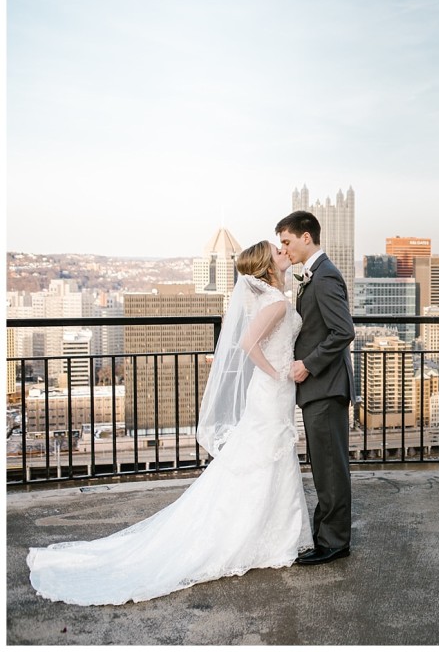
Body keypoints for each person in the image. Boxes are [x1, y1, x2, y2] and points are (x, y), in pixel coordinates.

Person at [26, 241, 313, 606]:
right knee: (264, 456)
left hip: (274, 393)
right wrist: (278, 374)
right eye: (277, 250)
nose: (283, 251)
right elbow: (247, 342)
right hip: (272, 391)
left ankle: (271, 533)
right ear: (267, 265)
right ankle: (264, 537)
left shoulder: (271, 296)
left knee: (267, 456)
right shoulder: (275, 301)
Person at [276, 211, 355, 566]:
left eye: (287, 241)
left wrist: (308, 364)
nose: (285, 248)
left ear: (306, 237)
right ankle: (326, 534)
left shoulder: (323, 278)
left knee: (331, 467)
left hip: (325, 386)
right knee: (323, 466)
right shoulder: (315, 275)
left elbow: (344, 332)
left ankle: (335, 542)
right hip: (320, 388)